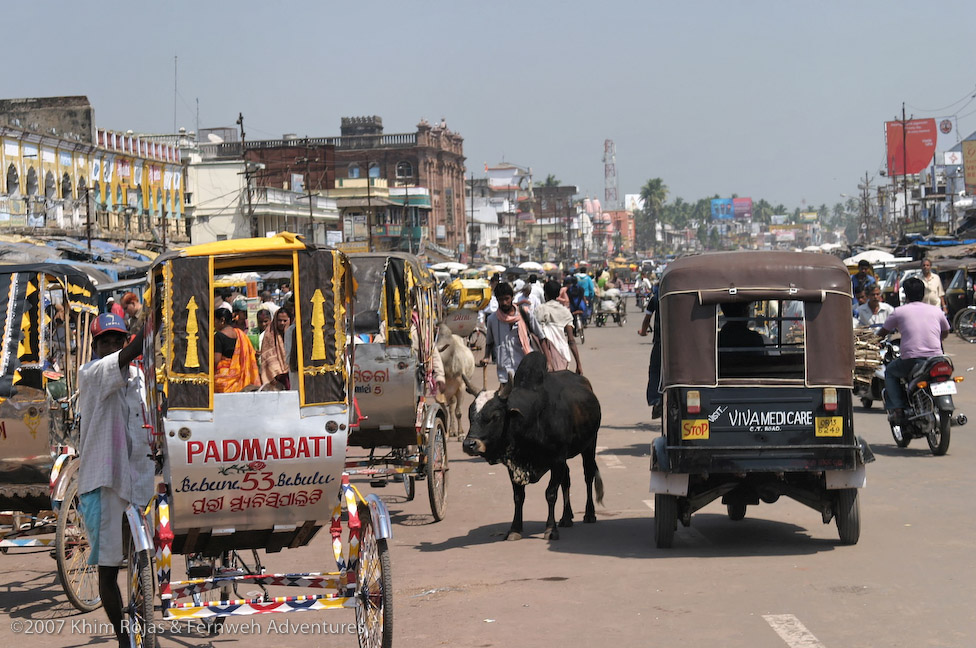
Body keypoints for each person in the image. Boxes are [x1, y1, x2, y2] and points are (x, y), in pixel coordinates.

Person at [77, 313, 154, 648]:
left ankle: (145, 622)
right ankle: (122, 635)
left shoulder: (140, 377)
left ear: (123, 340)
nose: (110, 346)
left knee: (144, 562)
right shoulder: (91, 372)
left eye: (116, 340)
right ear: (95, 347)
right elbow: (133, 350)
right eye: (103, 341)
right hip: (106, 483)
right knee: (109, 570)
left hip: (140, 480)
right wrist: (153, 325)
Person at [878, 276, 950, 424]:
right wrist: (937, 340)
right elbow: (945, 331)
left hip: (912, 359)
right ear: (923, 293)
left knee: (890, 372)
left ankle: (898, 409)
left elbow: (882, 333)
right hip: (936, 358)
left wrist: (874, 343)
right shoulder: (936, 311)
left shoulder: (899, 312)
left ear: (905, 294)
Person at [477, 281, 545, 384]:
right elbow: (489, 342)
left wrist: (548, 361)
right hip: (505, 371)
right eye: (500, 300)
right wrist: (486, 357)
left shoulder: (525, 314)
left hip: (527, 367)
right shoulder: (492, 319)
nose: (504, 303)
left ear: (512, 297)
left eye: (506, 299)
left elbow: (541, 337)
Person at [534, 279, 582, 374]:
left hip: (543, 356)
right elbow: (571, 340)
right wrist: (578, 364)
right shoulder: (565, 312)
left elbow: (537, 335)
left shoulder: (540, 310)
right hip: (562, 354)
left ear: (545, 294)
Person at [213, 305, 260, 393]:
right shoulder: (240, 334)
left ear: (222, 320)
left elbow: (216, 360)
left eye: (214, 320)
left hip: (223, 379)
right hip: (239, 377)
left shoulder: (218, 336)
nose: (213, 323)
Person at [638, 284, 663, 419]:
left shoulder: (655, 298)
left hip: (660, 342)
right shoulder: (683, 294)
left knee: (655, 371)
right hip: (680, 344)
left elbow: (647, 319)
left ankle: (655, 399)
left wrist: (643, 332)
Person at [260, 308, 292, 388]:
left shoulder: (294, 332)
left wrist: (287, 333)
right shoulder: (269, 334)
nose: (282, 323)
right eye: (279, 320)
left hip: (292, 371)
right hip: (276, 375)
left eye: (285, 321)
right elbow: (267, 356)